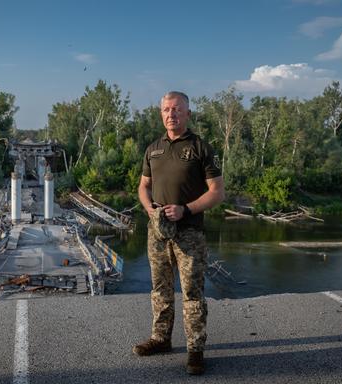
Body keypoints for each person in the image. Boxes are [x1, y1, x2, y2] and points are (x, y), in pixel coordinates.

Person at [133, 91, 225, 375]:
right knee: (160, 290)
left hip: (190, 234)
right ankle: (161, 339)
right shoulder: (153, 148)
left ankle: (195, 351)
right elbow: (143, 186)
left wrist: (185, 209)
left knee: (192, 294)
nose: (170, 114)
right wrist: (150, 209)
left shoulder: (201, 147)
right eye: (165, 109)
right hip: (157, 233)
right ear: (160, 113)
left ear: (187, 114)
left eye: (176, 109)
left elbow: (217, 193)